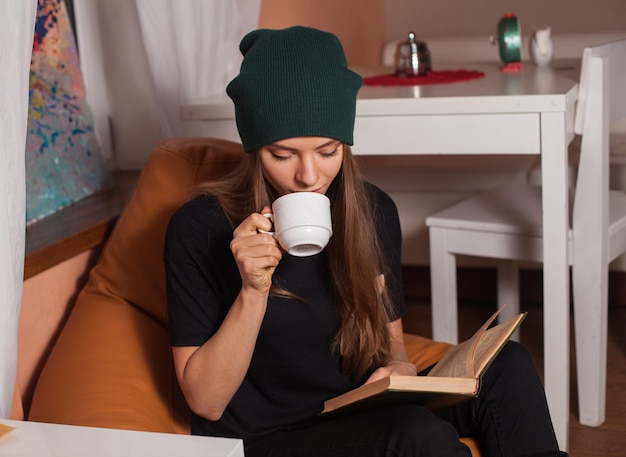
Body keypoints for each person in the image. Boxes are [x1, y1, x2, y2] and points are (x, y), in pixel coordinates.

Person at [164, 26, 568, 457]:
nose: (308, 176)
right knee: (417, 433)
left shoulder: (373, 212)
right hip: (268, 437)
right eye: (282, 155)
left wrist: (398, 365)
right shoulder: (199, 228)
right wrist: (252, 290)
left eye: (328, 150)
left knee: (509, 365)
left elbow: (390, 341)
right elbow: (206, 402)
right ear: (254, 148)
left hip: (358, 409)